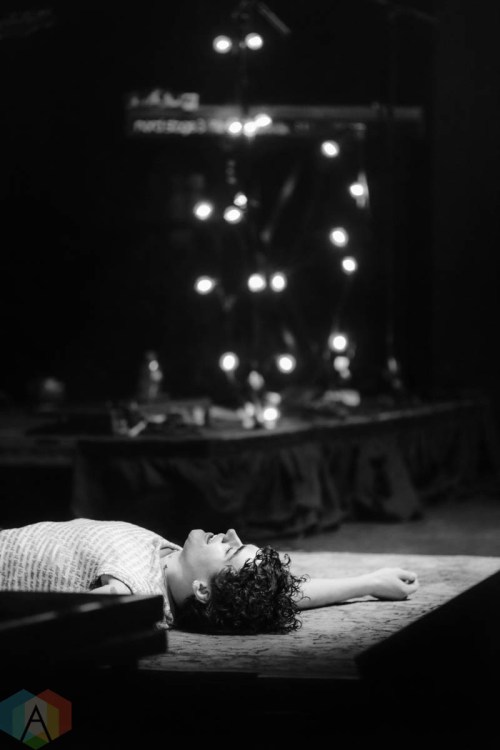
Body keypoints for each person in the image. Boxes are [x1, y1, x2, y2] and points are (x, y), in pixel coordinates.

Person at [0, 518, 419, 634]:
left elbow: (69, 630)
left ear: (202, 590)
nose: (231, 534)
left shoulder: (136, 590)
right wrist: (369, 582)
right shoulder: (173, 566)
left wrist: (15, 719)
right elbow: (278, 597)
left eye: (231, 550)